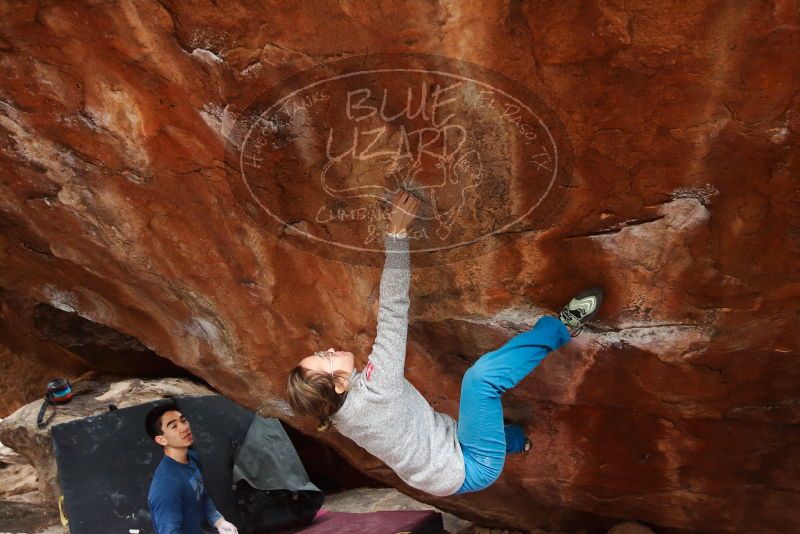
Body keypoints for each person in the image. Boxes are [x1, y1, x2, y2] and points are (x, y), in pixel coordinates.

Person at [286, 191, 603, 496]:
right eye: (323, 359)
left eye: (317, 353)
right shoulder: (377, 390)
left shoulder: (337, 414)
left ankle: (519, 441)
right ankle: (563, 326)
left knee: (476, 423)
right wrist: (396, 234)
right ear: (339, 385)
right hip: (470, 465)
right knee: (480, 382)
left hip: (443, 467)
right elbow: (393, 310)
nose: (325, 350)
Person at [145, 402, 239, 534]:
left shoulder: (192, 458)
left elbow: (201, 495)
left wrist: (218, 521)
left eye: (183, 421)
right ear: (161, 440)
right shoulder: (166, 486)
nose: (184, 427)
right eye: (174, 426)